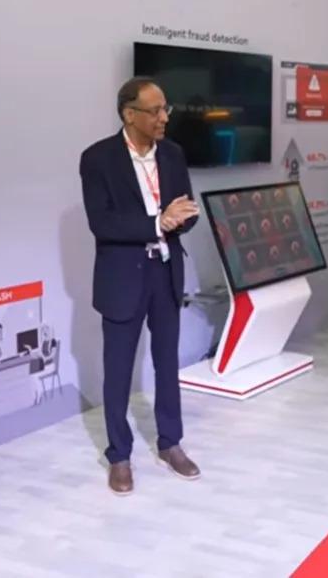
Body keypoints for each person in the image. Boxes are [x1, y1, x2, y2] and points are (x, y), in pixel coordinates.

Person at [79, 76, 202, 495]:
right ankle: (119, 456)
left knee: (168, 362)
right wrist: (157, 223)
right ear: (129, 114)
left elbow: (187, 211)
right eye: (155, 111)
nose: (164, 117)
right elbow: (102, 223)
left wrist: (178, 219)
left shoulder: (173, 154)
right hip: (123, 277)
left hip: (165, 271)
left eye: (166, 109)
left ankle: (171, 443)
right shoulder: (97, 159)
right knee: (118, 370)